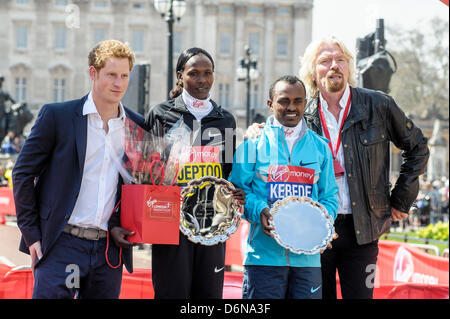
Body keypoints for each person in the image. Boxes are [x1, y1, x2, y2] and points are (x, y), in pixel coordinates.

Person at [246, 36, 429, 299]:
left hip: (363, 227)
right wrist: (256, 129)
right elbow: (273, 134)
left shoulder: (378, 105)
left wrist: (402, 199)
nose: (334, 66)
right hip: (313, 226)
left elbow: (419, 147)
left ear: (349, 67)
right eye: (325, 61)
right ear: (312, 70)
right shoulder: (300, 109)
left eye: (340, 60)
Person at [12, 40, 144, 299]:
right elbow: (22, 173)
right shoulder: (57, 116)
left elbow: (139, 184)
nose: (119, 83)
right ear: (93, 73)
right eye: (111, 75)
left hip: (108, 249)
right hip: (61, 244)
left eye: (124, 75)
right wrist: (32, 236)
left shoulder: (137, 127)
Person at [145, 47, 245, 299]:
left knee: (208, 295)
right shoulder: (160, 114)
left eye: (208, 73)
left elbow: (229, 172)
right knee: (171, 293)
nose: (202, 80)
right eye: (194, 73)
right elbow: (147, 171)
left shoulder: (226, 120)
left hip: (211, 222)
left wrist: (236, 191)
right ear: (180, 76)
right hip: (170, 224)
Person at [229, 75, 339, 299]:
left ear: (305, 103)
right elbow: (237, 193)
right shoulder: (252, 145)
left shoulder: (320, 148)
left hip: (308, 262)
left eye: (298, 101)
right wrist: (259, 209)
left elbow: (330, 196)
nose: (291, 107)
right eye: (283, 100)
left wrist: (323, 224)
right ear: (270, 104)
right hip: (263, 258)